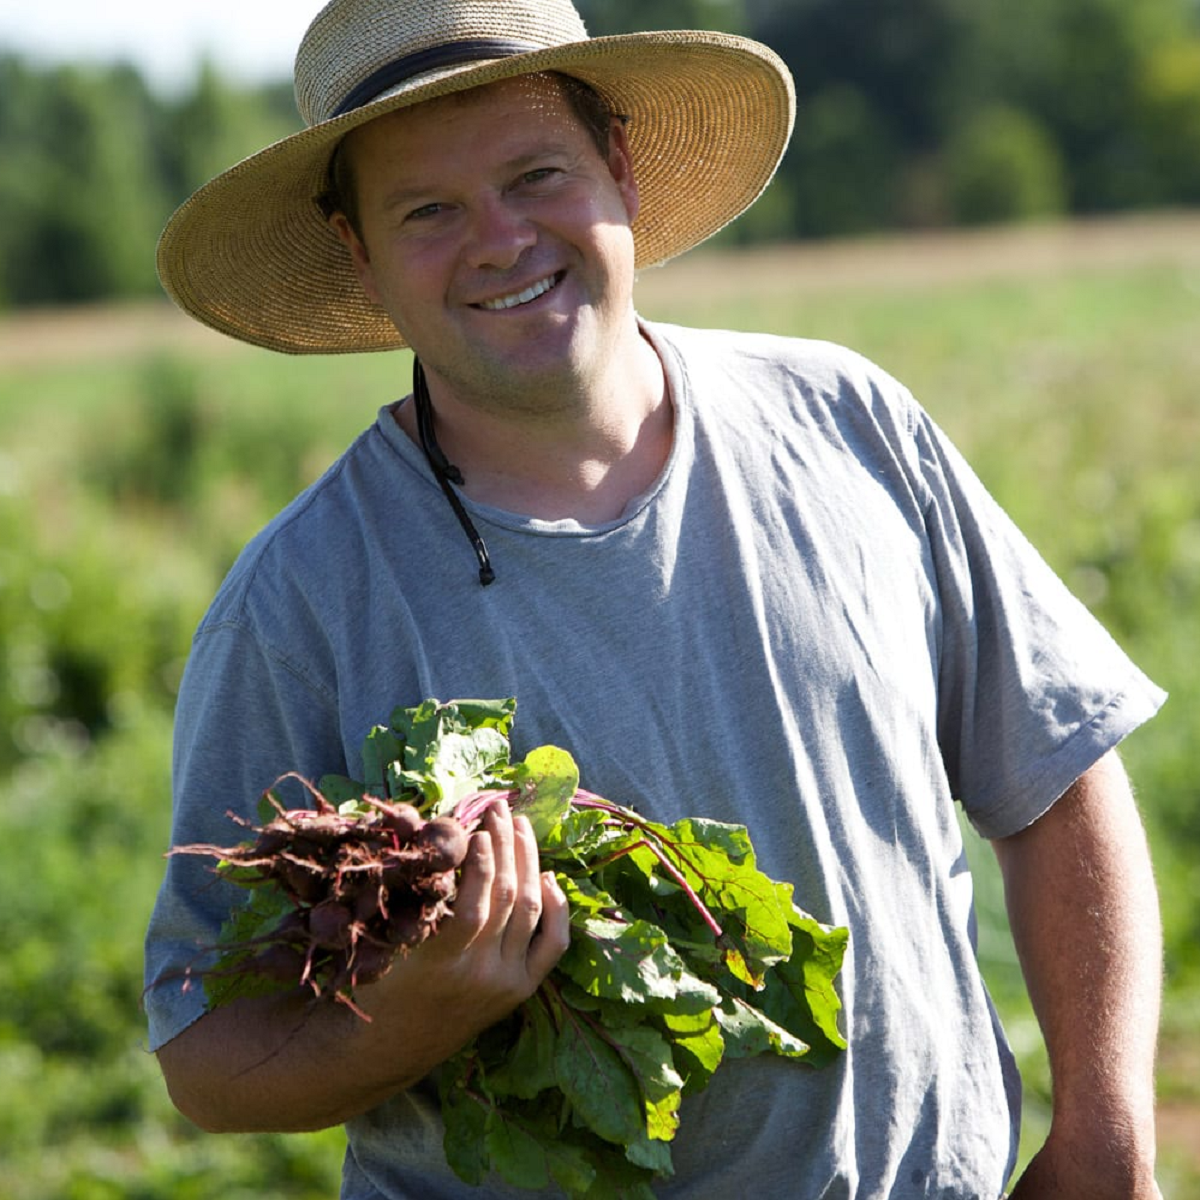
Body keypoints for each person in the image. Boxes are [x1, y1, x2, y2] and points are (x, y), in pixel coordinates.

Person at [144, 1, 1167, 1196]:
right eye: (428, 210)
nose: (500, 240)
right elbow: (206, 1056)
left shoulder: (846, 421)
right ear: (358, 251)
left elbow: (1055, 771)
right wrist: (408, 1015)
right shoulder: (303, 602)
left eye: (538, 175)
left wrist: (1104, 1129)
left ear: (619, 167)